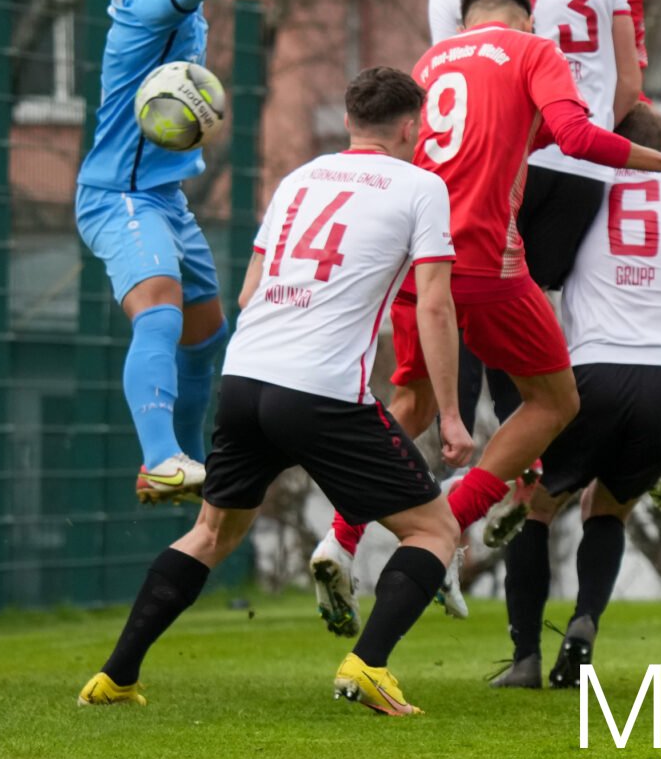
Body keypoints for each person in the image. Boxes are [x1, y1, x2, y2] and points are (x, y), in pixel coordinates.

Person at [308, 0, 661, 607]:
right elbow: (577, 138)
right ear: (527, 23)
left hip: (413, 262)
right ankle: (451, 517)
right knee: (555, 403)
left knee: (411, 405)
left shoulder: (432, 59)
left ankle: (339, 535)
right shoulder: (533, 53)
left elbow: (501, 139)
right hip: (483, 260)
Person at [77, 67, 474, 715]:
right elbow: (434, 305)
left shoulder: (299, 178)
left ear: (348, 121)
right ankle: (368, 666)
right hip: (320, 389)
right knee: (435, 528)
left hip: (247, 376)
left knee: (212, 531)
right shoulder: (423, 185)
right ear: (411, 127)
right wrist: (451, 416)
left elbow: (248, 291)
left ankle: (115, 676)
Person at [73, 0, 270, 504]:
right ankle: (159, 453)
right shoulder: (142, 8)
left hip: (162, 195)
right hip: (115, 194)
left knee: (204, 330)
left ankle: (180, 459)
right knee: (155, 305)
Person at [490, 105, 661, 688]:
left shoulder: (583, 191)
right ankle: (585, 622)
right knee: (610, 507)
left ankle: (524, 657)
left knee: (535, 506)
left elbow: (537, 275)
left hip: (596, 371)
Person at [427, 0, 641, 293]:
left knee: (467, 311)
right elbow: (628, 84)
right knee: (531, 322)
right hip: (581, 168)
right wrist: (585, 131)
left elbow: (453, 98)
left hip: (495, 174)